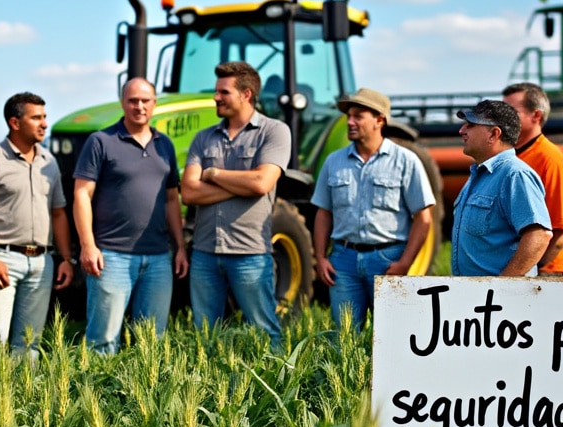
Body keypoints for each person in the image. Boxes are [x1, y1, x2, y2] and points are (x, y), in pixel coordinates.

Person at [72, 78, 189, 354]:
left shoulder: (165, 145)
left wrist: (180, 247)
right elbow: (81, 195)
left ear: (154, 104)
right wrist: (88, 245)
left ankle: (142, 396)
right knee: (103, 340)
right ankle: (97, 394)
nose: (139, 106)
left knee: (152, 342)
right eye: (133, 100)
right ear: (122, 103)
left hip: (159, 257)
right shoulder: (101, 141)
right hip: (112, 256)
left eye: (145, 100)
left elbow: (172, 199)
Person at [181, 61, 291, 349]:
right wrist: (243, 186)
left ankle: (276, 386)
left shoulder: (274, 131)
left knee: (264, 332)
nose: (215, 97)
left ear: (246, 94)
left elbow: (261, 184)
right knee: (206, 336)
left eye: (223, 92)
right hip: (205, 251)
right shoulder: (203, 138)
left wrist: (214, 174)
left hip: (249, 253)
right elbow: (189, 194)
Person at [0, 92, 75, 356]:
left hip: (41, 263)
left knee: (29, 345)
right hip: (1, 259)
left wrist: (67, 259)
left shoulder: (49, 162)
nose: (44, 123)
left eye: (44, 117)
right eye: (36, 117)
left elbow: (58, 213)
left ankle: (25, 397)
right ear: (15, 122)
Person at [312, 88, 435, 329]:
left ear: (379, 120)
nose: (349, 122)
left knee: (393, 335)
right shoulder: (333, 161)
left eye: (358, 116)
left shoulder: (406, 161)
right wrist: (319, 257)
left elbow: (423, 216)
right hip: (343, 260)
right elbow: (323, 212)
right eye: (348, 116)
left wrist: (405, 263)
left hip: (388, 259)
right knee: (345, 337)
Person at [451, 100, 552, 277]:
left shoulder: (514, 174)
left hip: (501, 301)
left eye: (471, 125)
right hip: (476, 296)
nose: (462, 130)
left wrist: (503, 286)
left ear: (494, 134)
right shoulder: (479, 175)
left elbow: (539, 236)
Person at [503, 83, 563, 275]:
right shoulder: (511, 157)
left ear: (536, 115)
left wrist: (535, 269)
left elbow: (561, 229)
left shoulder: (550, 159)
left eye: (511, 111)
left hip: (545, 273)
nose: (503, 118)